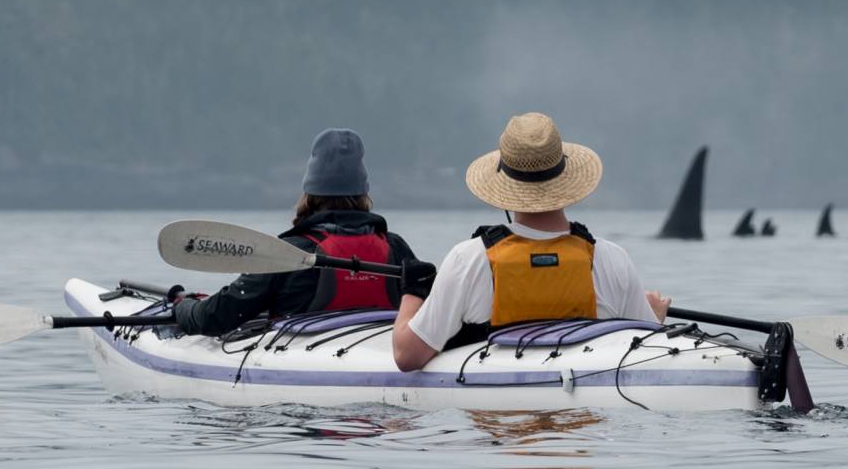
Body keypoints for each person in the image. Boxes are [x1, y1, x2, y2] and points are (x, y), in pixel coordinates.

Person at [393, 112, 670, 371]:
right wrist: (653, 320)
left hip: (497, 417)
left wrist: (412, 293)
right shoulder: (611, 258)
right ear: (564, 175)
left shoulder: (469, 259)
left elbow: (407, 357)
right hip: (585, 417)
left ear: (504, 181)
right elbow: (646, 352)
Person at [173, 128, 417, 336]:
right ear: (364, 193)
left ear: (309, 193)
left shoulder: (288, 253)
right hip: (381, 350)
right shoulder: (396, 249)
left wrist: (183, 306)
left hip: (304, 364)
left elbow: (215, 318)